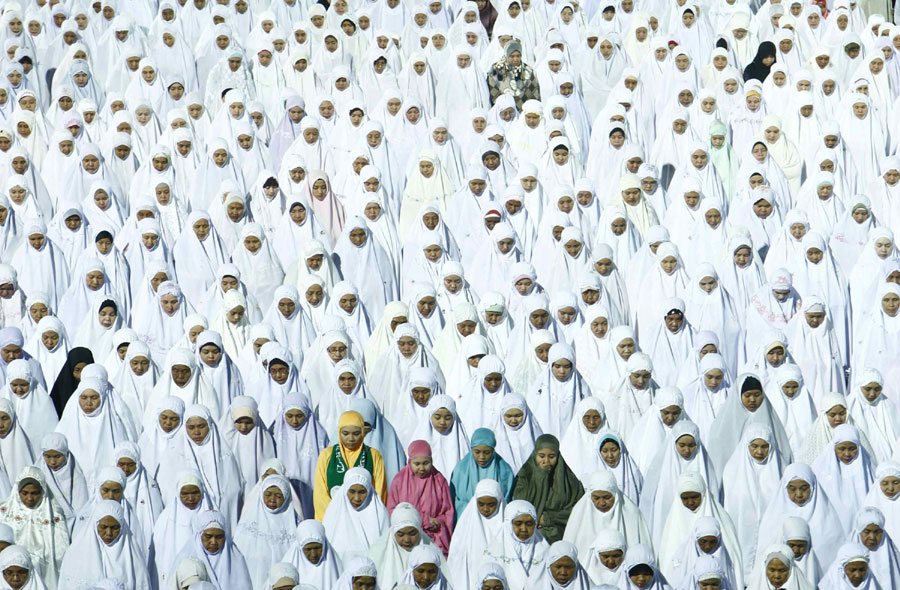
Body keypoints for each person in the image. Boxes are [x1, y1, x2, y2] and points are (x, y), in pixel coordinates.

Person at [313, 410, 387, 519]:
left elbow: (379, 491)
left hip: (365, 517)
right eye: (345, 433)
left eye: (356, 434)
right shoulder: (327, 455)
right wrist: (333, 517)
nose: (351, 438)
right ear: (339, 432)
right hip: (334, 518)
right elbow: (320, 494)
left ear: (363, 432)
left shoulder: (373, 455)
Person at [511, 434, 583, 543]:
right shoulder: (525, 475)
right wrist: (540, 476)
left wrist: (549, 518)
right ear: (535, 455)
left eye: (551, 456)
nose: (546, 461)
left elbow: (579, 510)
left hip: (560, 536)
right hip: (528, 537)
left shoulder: (569, 481)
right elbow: (519, 503)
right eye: (541, 456)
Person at [387, 440, 455, 555]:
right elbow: (392, 510)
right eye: (417, 464)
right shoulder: (399, 481)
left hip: (434, 539)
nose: (422, 468)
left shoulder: (439, 480)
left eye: (426, 463)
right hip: (408, 539)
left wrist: (438, 522)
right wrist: (421, 521)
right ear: (410, 462)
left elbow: (448, 512)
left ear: (431, 461)